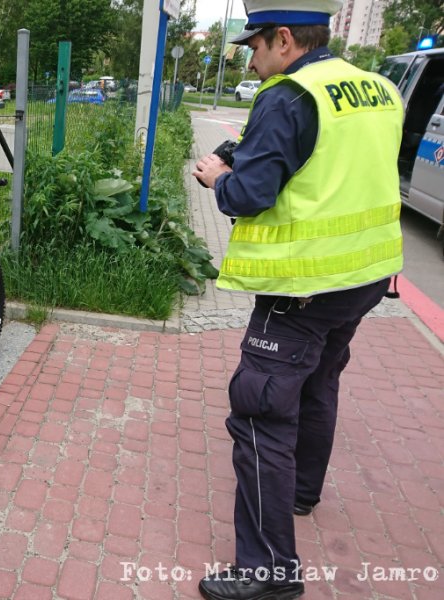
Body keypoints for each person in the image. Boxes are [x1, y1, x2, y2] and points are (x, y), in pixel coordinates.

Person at [192, 1, 404, 599]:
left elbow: (252, 194)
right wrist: (246, 147)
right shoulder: (376, 88)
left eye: (255, 47)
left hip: (302, 285)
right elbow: (330, 161)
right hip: (363, 275)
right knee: (319, 384)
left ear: (284, 39)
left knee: (259, 410)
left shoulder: (287, 96)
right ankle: (303, 492)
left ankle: (267, 571)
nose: (254, 61)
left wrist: (217, 179)